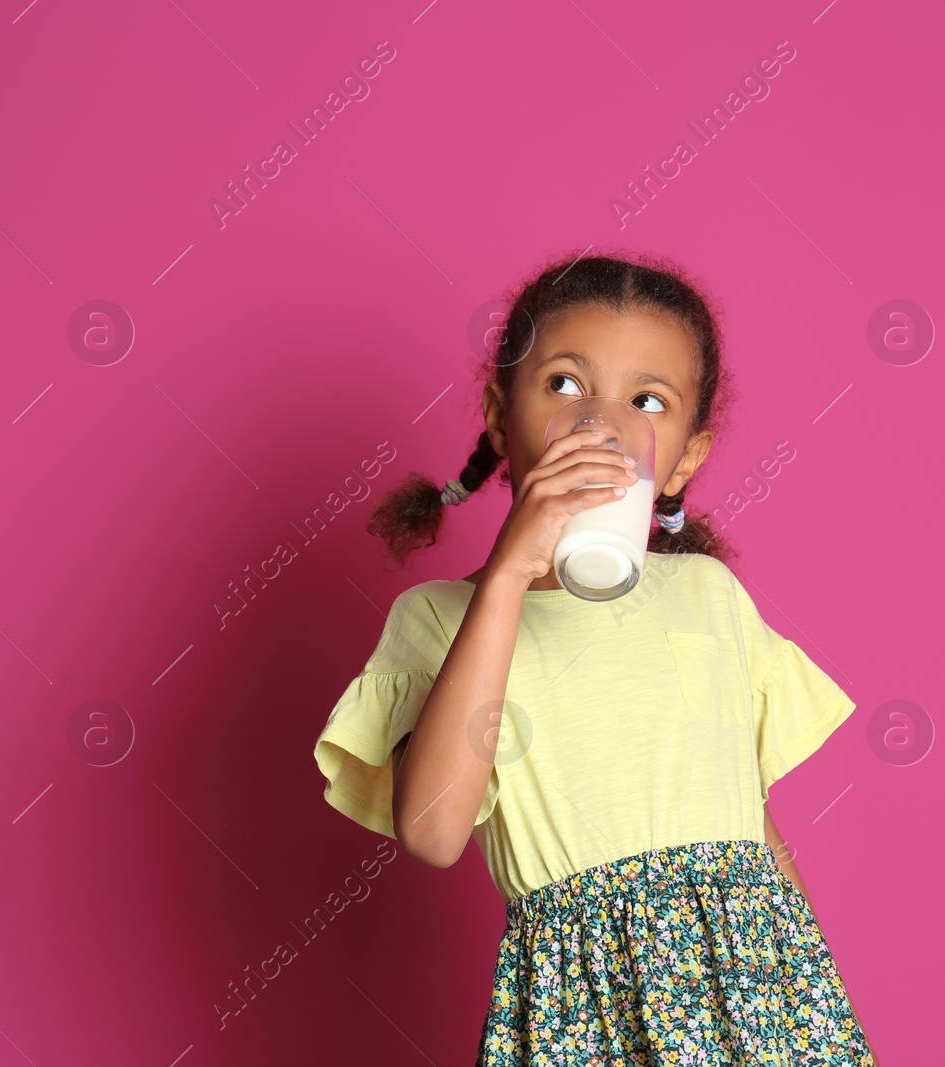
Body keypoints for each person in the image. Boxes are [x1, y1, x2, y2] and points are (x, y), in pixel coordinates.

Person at [312, 252, 880, 1066]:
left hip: (761, 996)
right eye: (566, 385)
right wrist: (508, 571)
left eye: (646, 400)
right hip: (584, 1009)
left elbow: (750, 824)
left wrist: (827, 1016)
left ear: (683, 457)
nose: (601, 423)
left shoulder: (708, 595)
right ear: (502, 415)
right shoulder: (439, 620)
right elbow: (433, 830)